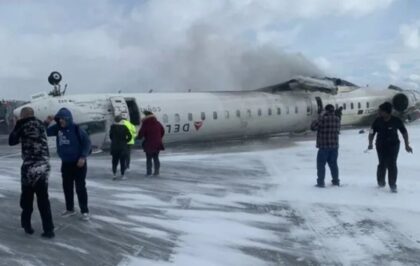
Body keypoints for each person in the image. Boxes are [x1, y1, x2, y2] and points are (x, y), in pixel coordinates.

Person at [9, 107, 55, 238]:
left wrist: (17, 124)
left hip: (30, 167)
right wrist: (47, 121)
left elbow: (12, 141)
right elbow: (41, 128)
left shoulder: (23, 125)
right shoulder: (40, 124)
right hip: (44, 166)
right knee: (43, 200)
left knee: (27, 199)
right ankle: (49, 229)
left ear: (22, 116)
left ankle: (26, 225)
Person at [45, 108, 91, 220]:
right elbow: (44, 132)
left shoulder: (77, 129)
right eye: (59, 119)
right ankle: (70, 209)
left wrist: (83, 157)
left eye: (63, 119)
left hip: (79, 163)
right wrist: (47, 122)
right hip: (66, 163)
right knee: (67, 187)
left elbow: (87, 143)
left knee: (80, 187)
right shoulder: (58, 129)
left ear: (68, 119)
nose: (61, 121)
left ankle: (84, 211)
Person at [368, 102, 412, 193]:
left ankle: (392, 185)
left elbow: (404, 132)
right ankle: (381, 182)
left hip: (393, 146)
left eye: (381, 111)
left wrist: (407, 145)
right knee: (382, 164)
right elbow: (372, 132)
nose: (379, 112)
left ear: (387, 112)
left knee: (392, 164)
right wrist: (370, 143)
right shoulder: (377, 121)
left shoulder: (396, 120)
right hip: (380, 145)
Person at [311, 104, 341, 187]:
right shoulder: (337, 119)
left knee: (321, 165)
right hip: (334, 146)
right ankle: (336, 181)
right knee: (333, 164)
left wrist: (320, 115)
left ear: (326, 111)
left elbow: (313, 127)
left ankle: (320, 182)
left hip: (324, 146)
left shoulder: (322, 119)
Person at [137, 111, 165, 176]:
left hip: (149, 144)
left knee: (149, 159)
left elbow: (141, 134)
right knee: (156, 158)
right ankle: (156, 172)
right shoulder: (158, 123)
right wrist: (159, 138)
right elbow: (162, 131)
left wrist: (138, 138)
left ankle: (149, 172)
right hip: (158, 143)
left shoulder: (145, 124)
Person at [109, 115, 131, 180]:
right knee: (122, 162)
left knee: (114, 161)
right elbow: (129, 136)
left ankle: (114, 174)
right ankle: (122, 175)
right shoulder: (124, 127)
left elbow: (110, 136)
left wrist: (113, 141)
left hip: (114, 147)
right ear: (121, 120)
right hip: (122, 147)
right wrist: (126, 141)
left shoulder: (112, 127)